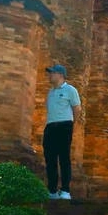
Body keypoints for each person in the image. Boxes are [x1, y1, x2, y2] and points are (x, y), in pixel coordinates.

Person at [43, 64, 82, 200]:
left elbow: (77, 109)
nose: (50, 75)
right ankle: (52, 191)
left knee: (64, 158)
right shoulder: (50, 92)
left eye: (52, 73)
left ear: (60, 75)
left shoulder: (70, 90)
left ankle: (65, 190)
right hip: (50, 127)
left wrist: (71, 124)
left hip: (64, 126)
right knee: (50, 159)